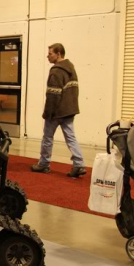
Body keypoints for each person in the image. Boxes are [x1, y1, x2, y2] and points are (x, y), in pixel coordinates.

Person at [31, 43, 86, 178]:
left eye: (50, 54)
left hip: (56, 112)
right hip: (69, 110)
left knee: (47, 138)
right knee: (71, 138)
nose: (48, 56)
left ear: (58, 54)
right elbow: (74, 90)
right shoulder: (70, 68)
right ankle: (79, 164)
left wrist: (48, 113)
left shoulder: (56, 71)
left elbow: (52, 95)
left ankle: (44, 164)